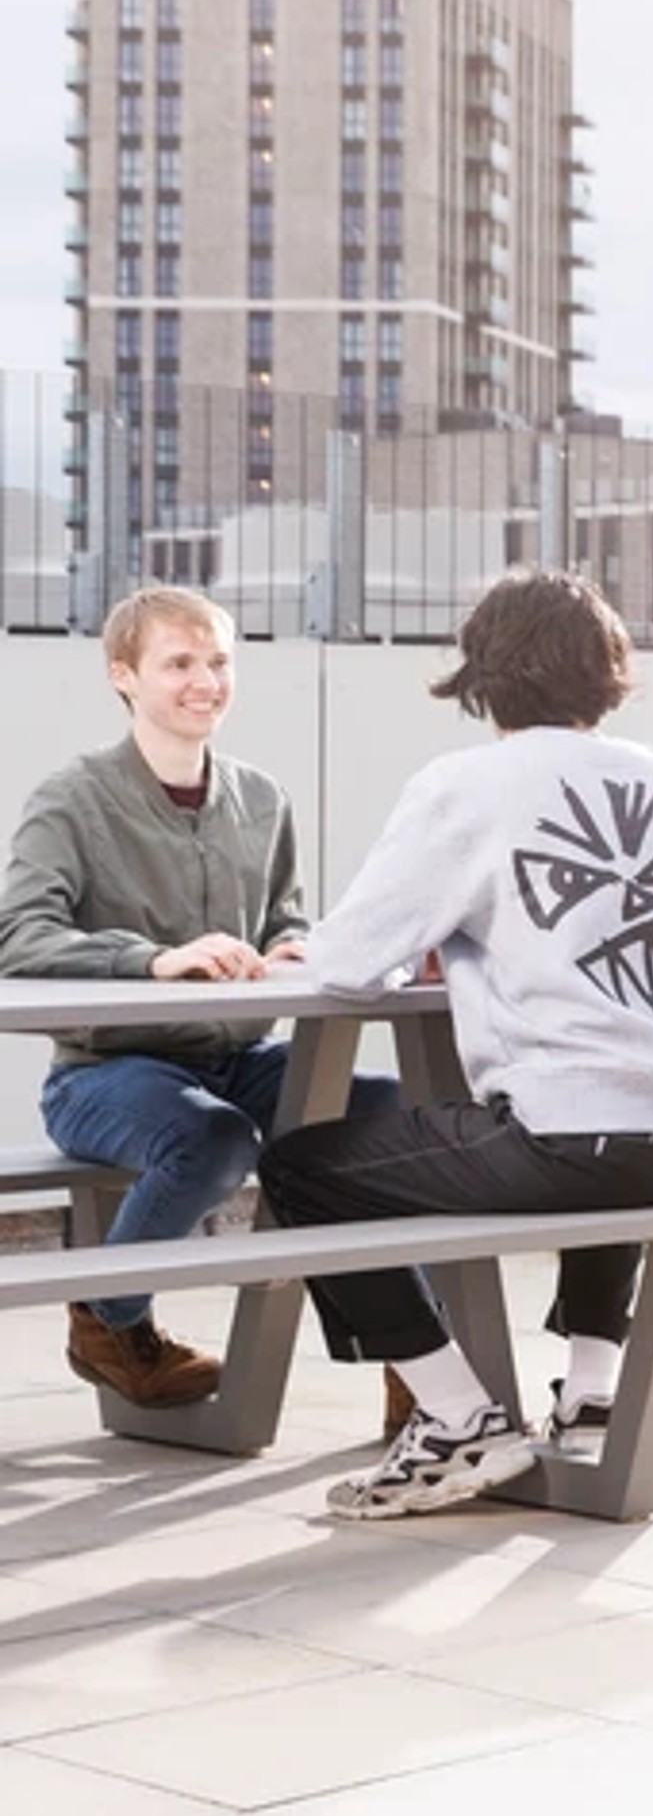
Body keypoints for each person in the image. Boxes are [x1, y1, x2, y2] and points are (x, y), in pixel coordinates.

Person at [261, 571, 653, 1522]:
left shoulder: (468, 783)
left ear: (484, 671)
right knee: (614, 1092)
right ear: (607, 667)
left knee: (303, 1169)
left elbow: (352, 960)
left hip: (587, 1139)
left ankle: (457, 1418)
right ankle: (589, 1391)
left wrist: (303, 951)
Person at [0, 585, 400, 1409]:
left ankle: (417, 1356)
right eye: (178, 663)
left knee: (390, 1109)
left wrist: (298, 944)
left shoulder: (261, 798)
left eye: (218, 661)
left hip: (239, 1054)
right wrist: (152, 960)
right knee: (213, 1138)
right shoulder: (72, 798)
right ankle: (111, 1320)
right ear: (124, 675)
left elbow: (284, 914)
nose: (205, 680)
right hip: (105, 1074)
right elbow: (17, 935)